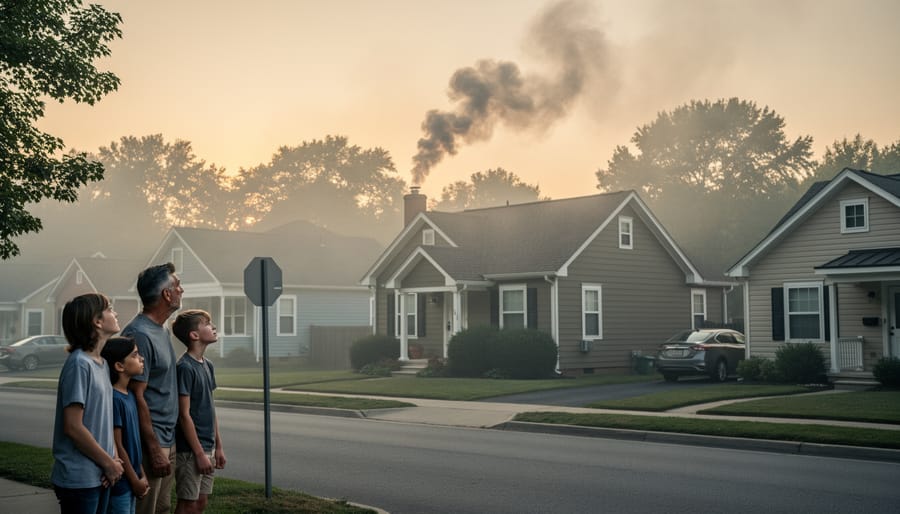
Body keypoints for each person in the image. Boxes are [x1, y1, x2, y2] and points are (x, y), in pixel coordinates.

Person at [51, 293, 125, 514]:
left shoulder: (101, 364)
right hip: (80, 479)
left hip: (101, 474)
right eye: (110, 309)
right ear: (97, 321)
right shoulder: (79, 365)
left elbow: (103, 420)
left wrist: (113, 459)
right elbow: (73, 427)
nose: (116, 313)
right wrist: (109, 463)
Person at [121, 263, 183, 514]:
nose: (181, 289)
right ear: (166, 294)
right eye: (177, 285)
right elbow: (135, 396)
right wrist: (155, 449)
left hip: (168, 437)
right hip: (151, 441)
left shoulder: (161, 329)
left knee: (163, 507)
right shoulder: (140, 335)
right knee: (146, 508)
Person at [171, 309, 226, 514]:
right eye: (207, 323)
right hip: (190, 450)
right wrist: (199, 453)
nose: (213, 327)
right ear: (194, 335)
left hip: (207, 445)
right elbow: (184, 415)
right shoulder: (184, 367)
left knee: (201, 502)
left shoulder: (207, 365)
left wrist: (218, 446)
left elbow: (210, 408)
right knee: (187, 504)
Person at [101, 336, 151, 514]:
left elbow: (134, 444)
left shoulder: (128, 395)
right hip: (121, 485)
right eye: (135, 355)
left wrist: (141, 475)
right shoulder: (115, 399)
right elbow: (119, 445)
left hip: (132, 480)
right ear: (119, 366)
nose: (141, 358)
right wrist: (134, 480)